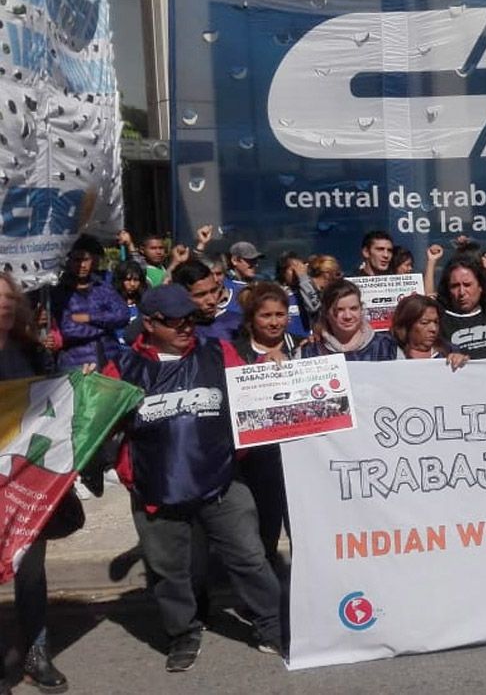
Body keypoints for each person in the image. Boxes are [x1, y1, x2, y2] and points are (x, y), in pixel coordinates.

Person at [103, 284, 284, 671]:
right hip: (156, 490)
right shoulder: (121, 368)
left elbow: (251, 398)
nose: (186, 327)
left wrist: (271, 377)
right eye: (174, 321)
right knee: (170, 571)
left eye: (191, 318)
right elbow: (100, 425)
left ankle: (273, 627)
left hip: (222, 482)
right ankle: (183, 633)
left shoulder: (219, 352)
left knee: (249, 557)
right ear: (150, 323)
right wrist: (127, 471)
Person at [0, 272, 73, 693]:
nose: (6, 305)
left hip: (26, 478)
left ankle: (36, 653)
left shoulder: (30, 350)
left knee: (31, 571)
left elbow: (58, 401)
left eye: (11, 298)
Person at [230, 283, 301, 580]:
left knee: (303, 534)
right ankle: (263, 600)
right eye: (266, 315)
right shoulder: (235, 352)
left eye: (280, 314)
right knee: (262, 536)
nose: (274, 322)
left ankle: (307, 596)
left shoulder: (303, 346)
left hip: (298, 462)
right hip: (256, 462)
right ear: (251, 319)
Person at [51, 240, 129, 369]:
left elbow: (123, 315)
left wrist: (89, 318)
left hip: (111, 359)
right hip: (77, 363)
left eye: (86, 260)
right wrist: (106, 328)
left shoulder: (103, 286)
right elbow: (67, 329)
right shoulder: (59, 292)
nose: (82, 265)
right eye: (77, 260)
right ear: (68, 261)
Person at [296, 279, 398, 361]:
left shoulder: (387, 346)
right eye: (339, 310)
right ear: (326, 313)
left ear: (361, 309)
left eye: (354, 308)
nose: (348, 316)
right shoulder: (309, 352)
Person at [389, 294, 468, 369]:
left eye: (436, 322)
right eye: (424, 323)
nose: (433, 329)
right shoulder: (387, 350)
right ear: (406, 325)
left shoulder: (449, 350)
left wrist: (461, 362)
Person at [113, 260, 146, 339]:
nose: (132, 284)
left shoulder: (144, 303)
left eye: (136, 280)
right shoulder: (110, 302)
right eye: (128, 280)